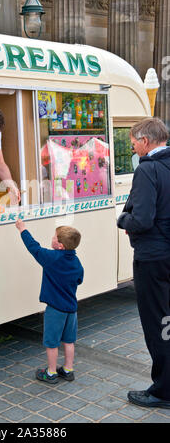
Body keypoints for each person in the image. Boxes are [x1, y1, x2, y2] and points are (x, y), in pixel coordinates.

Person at [117, 117, 170, 408]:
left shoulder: (148, 169)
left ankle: (163, 391)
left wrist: (122, 219)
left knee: (158, 324)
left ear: (146, 141)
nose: (132, 145)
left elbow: (141, 219)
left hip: (153, 258)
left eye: (134, 141)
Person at [15, 219, 84, 384]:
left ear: (60, 245)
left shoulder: (51, 258)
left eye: (55, 237)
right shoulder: (76, 262)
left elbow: (34, 248)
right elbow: (79, 280)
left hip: (55, 310)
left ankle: (51, 372)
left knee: (52, 342)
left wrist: (22, 229)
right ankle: (68, 370)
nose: (52, 238)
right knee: (69, 340)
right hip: (71, 309)